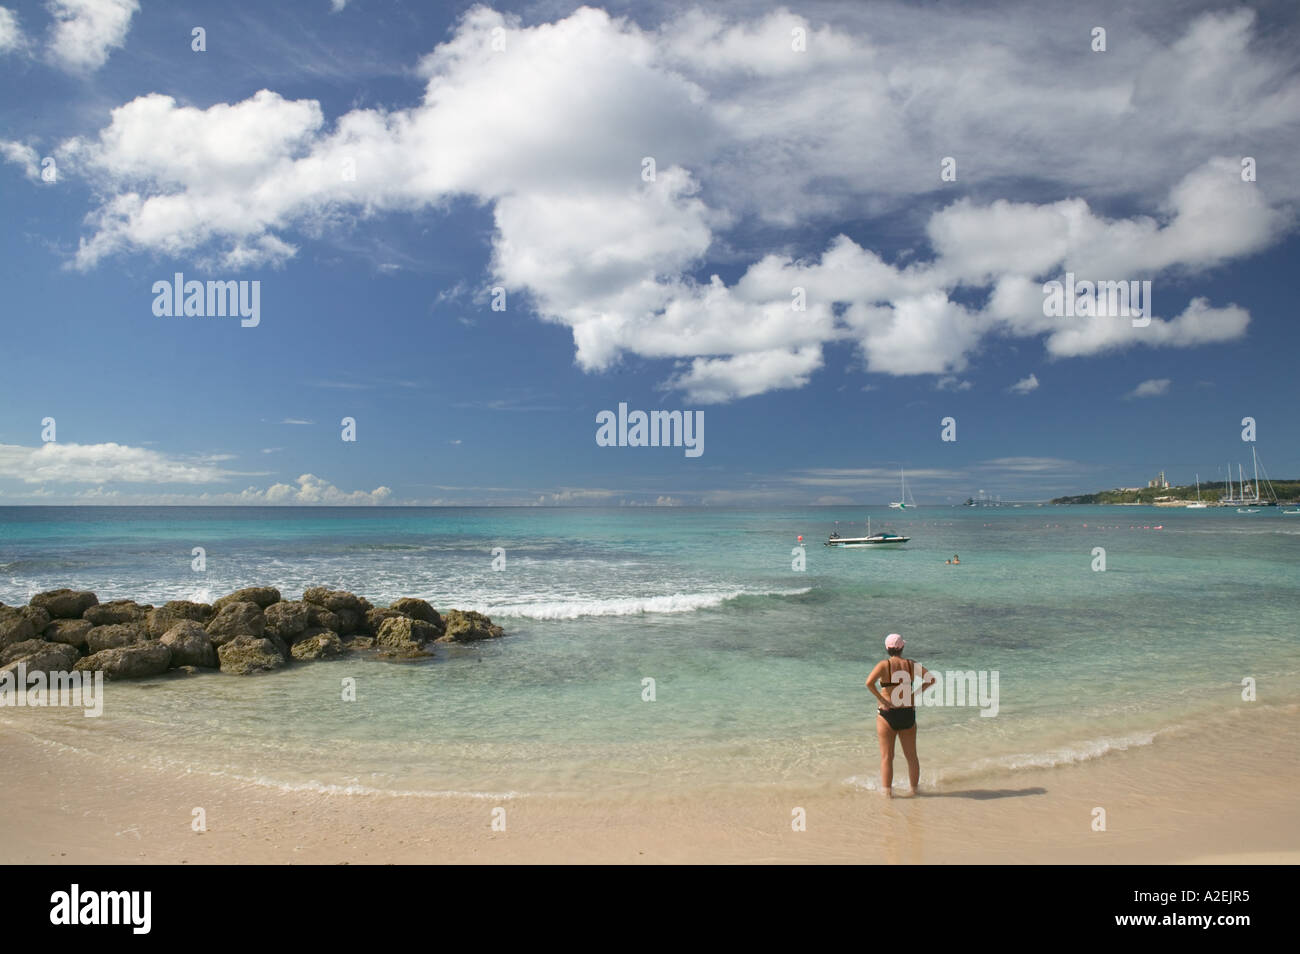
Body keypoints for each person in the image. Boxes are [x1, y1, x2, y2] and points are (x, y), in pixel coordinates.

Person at [866, 633, 936, 798]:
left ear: (887, 648)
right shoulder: (911, 664)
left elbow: (868, 683)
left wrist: (882, 699)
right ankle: (914, 791)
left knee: (887, 757)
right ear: (902, 647)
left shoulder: (884, 665)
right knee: (912, 757)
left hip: (887, 714)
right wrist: (914, 694)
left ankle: (887, 794)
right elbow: (931, 679)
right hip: (907, 713)